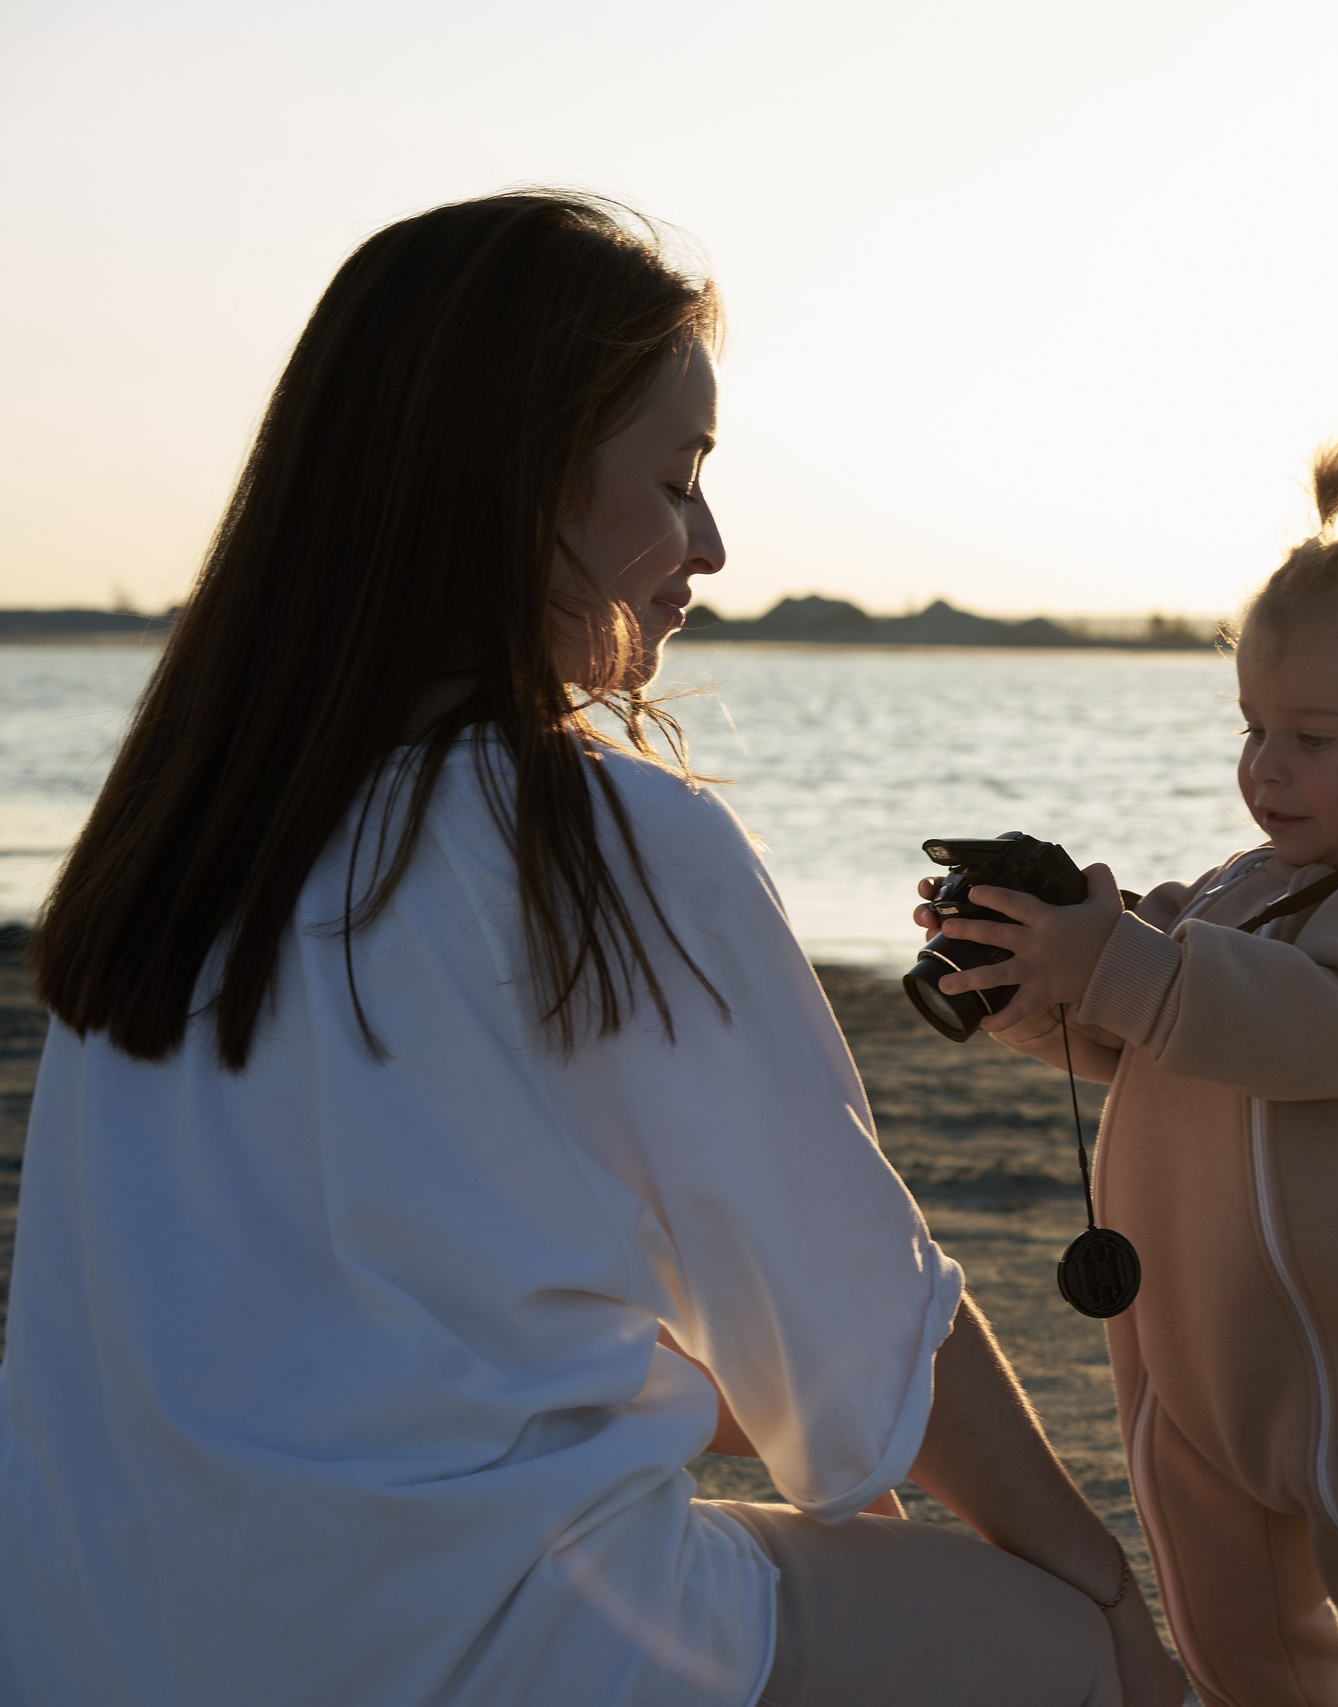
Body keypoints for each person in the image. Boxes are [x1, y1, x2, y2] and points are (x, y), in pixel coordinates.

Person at [0, 190, 1185, 1707]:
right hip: (459, 1644)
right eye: (678, 476)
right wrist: (1105, 1591)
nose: (710, 540)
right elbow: (871, 1324)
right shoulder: (602, 843)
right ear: (522, 483)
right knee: (1064, 1652)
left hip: (92, 1635)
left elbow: (366, 1321)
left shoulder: (178, 841)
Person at [917, 432, 1338, 1707]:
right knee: (1235, 1647)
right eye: (1255, 727)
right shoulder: (1238, 888)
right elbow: (1137, 1034)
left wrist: (1118, 961)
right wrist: (1027, 979)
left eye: (1313, 736)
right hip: (1191, 1359)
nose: (1267, 766)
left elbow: (1306, 1028)